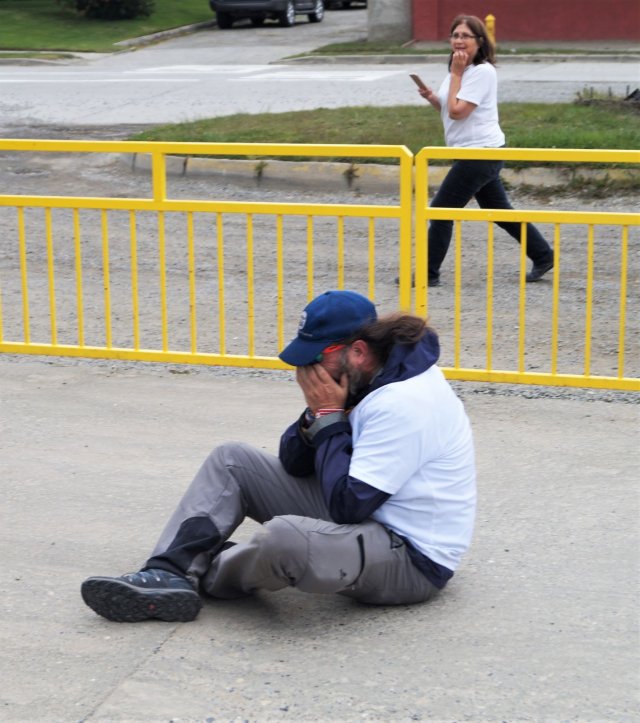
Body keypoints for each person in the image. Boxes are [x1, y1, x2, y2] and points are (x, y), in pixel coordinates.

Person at [81, 290, 477, 622]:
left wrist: (328, 418)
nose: (307, 372)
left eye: (313, 359)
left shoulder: (403, 401)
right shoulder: (369, 379)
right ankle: (167, 572)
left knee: (285, 538)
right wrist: (317, 417)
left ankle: (205, 572)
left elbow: (348, 506)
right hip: (368, 517)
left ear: (355, 351)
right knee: (231, 459)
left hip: (410, 558)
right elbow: (294, 463)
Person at [416, 14, 555, 287]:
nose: (458, 40)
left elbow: (457, 112)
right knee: (499, 210)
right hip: (473, 152)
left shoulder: (482, 72)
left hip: (480, 152)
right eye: (455, 35)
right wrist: (434, 98)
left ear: (479, 42)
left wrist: (455, 76)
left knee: (441, 211)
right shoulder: (459, 69)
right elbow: (449, 108)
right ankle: (543, 254)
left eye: (465, 36)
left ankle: (427, 273)